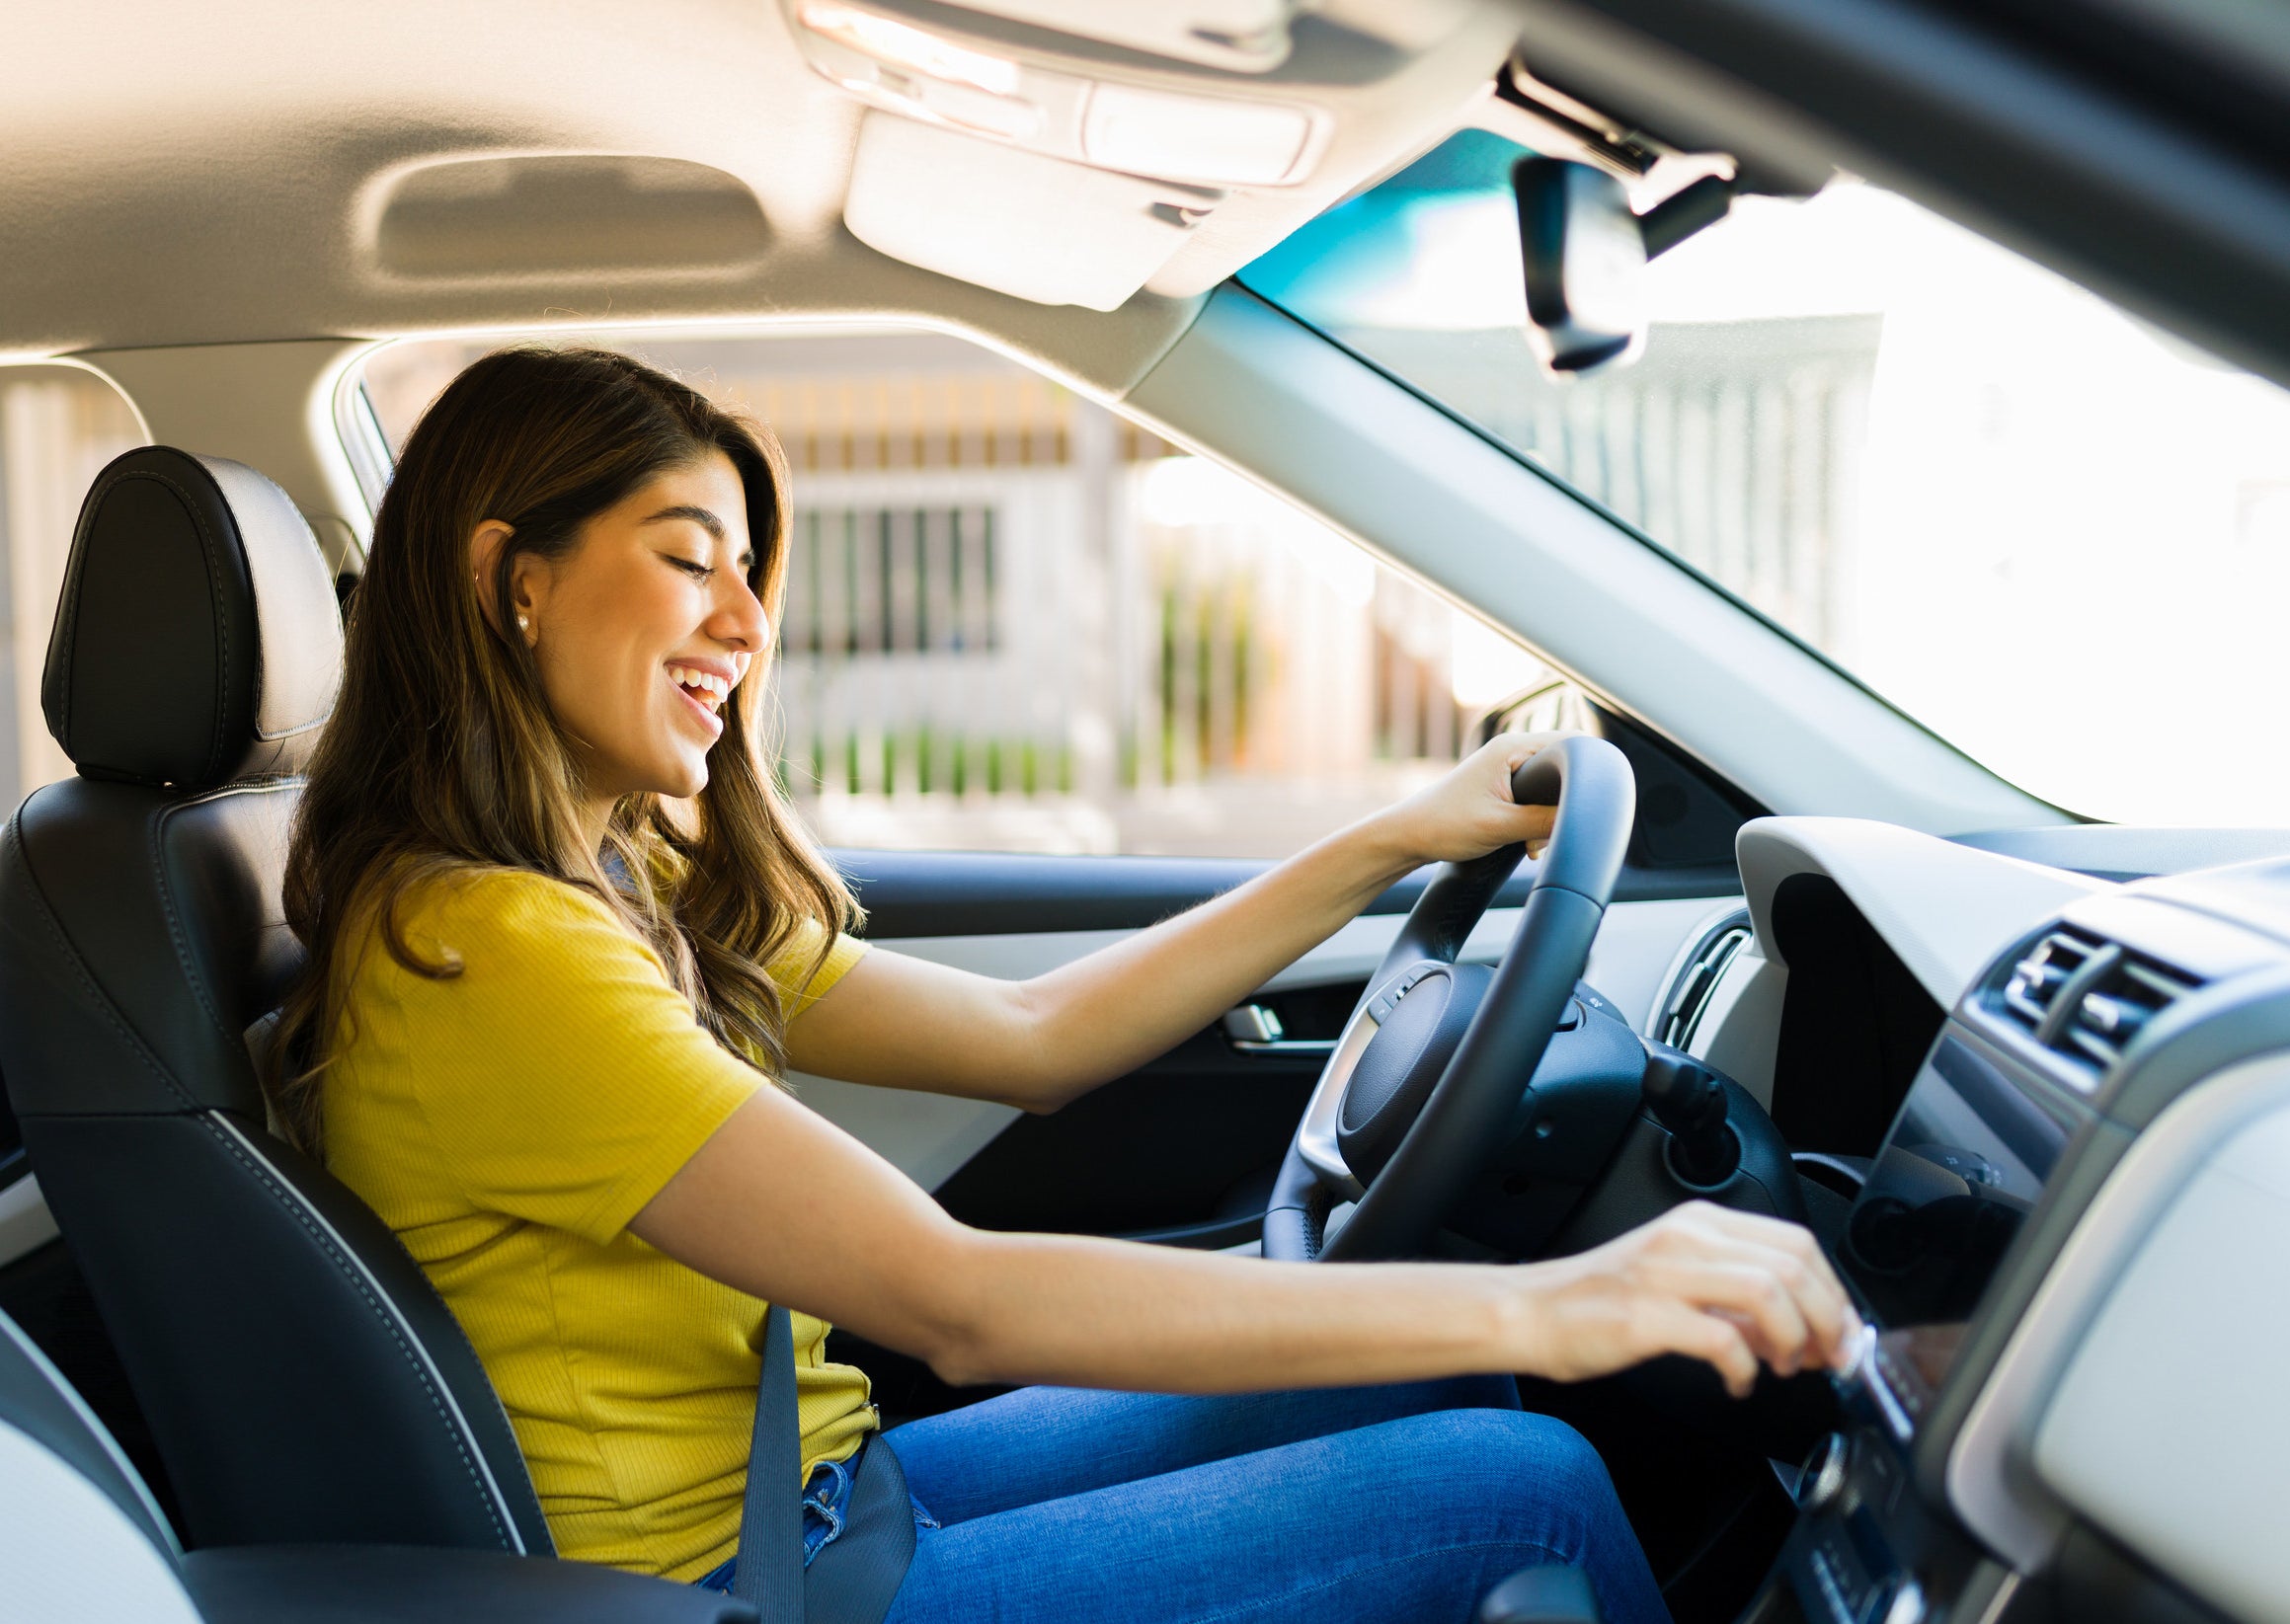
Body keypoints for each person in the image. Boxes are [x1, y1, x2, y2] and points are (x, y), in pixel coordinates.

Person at [271, 346, 1859, 1624]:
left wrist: (1393, 837)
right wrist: (1562, 1294)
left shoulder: (619, 882)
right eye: (691, 564)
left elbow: (1037, 1036)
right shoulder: (492, 946)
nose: (749, 625)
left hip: (822, 1495)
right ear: (512, 578)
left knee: (1434, 1360)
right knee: (1518, 1482)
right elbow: (957, 1303)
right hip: (741, 1581)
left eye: (748, 572)